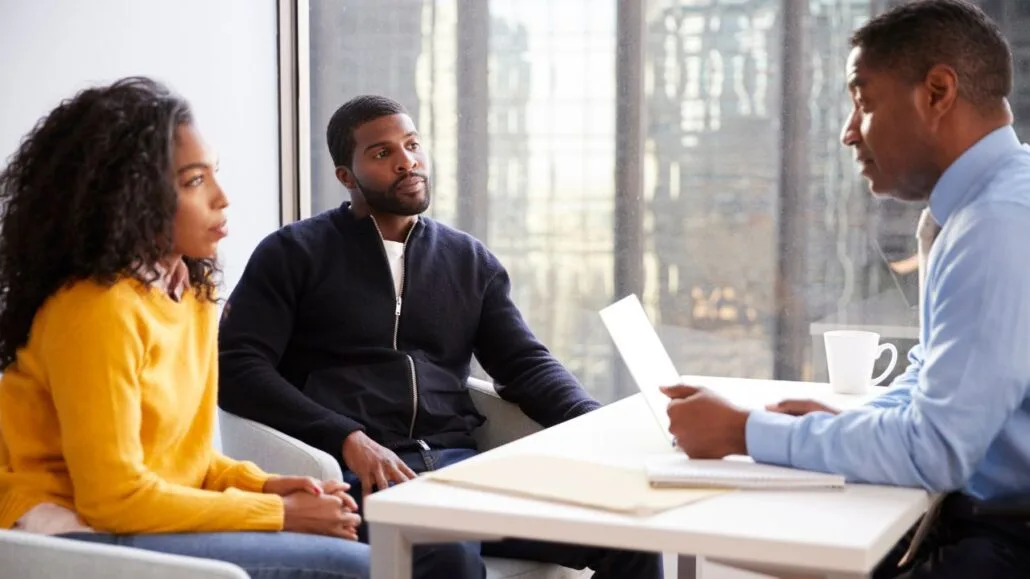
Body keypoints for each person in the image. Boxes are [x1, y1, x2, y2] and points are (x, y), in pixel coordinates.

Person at [218, 94, 663, 579]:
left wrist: (595, 423)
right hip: (356, 476)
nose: (407, 161)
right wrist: (347, 437)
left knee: (629, 533)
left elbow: (525, 364)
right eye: (382, 153)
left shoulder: (467, 260)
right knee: (445, 554)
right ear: (346, 175)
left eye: (411, 145)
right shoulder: (293, 253)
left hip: (461, 468)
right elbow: (238, 367)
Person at [661, 1, 1030, 577]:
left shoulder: (999, 225)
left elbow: (935, 451)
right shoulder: (981, 209)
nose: (848, 132)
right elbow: (933, 375)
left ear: (937, 92)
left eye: (863, 101)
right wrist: (829, 427)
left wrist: (744, 431)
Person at [0, 77, 370, 579]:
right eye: (194, 181)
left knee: (434, 555)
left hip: (145, 516)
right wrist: (279, 516)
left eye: (213, 174)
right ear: (128, 197)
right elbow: (115, 497)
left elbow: (184, 460)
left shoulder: (188, 290)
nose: (222, 198)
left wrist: (266, 485)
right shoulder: (95, 310)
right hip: (71, 532)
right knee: (369, 565)